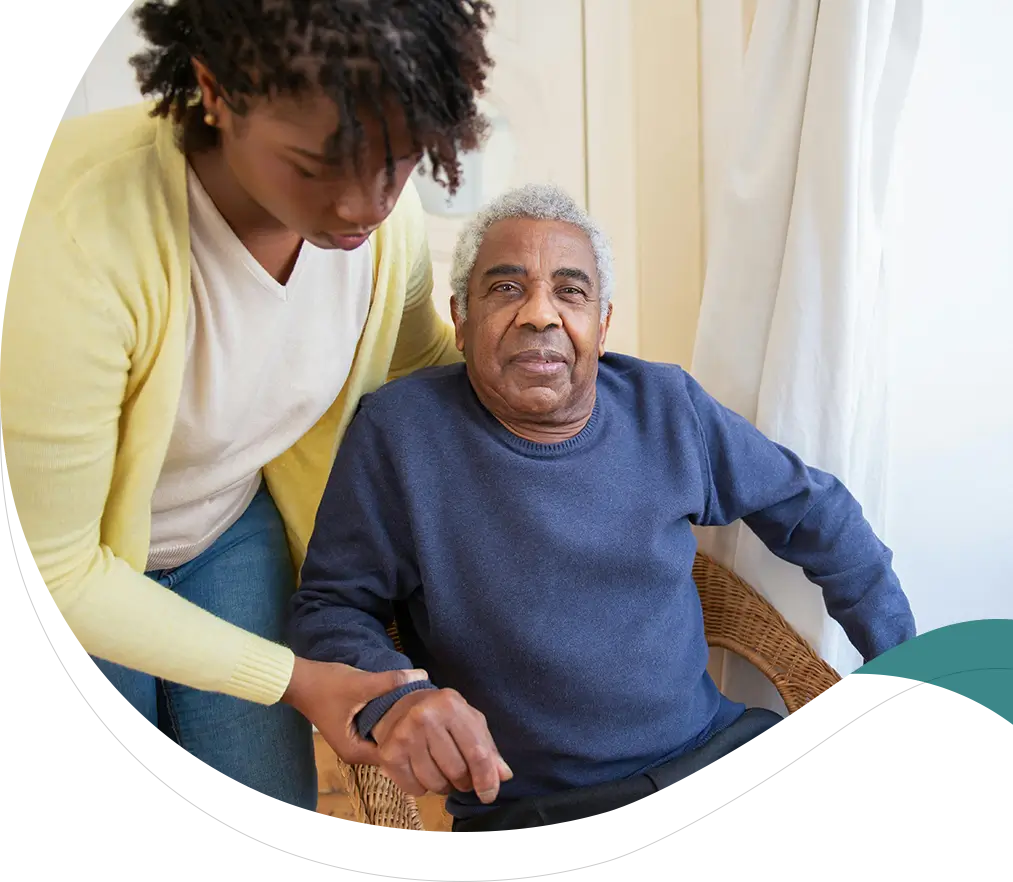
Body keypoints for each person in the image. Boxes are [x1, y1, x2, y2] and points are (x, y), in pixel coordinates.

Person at [285, 183, 918, 831]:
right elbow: (330, 607)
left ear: (603, 324)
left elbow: (817, 514)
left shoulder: (666, 405)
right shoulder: (400, 433)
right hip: (542, 811)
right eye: (506, 288)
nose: (540, 314)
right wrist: (397, 695)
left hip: (719, 756)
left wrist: (899, 663)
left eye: (570, 291)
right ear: (461, 319)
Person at [0, 0, 495, 819]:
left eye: (398, 161)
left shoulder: (384, 230)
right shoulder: (82, 236)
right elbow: (57, 569)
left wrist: (591, 390)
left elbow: (419, 366)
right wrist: (294, 680)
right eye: (315, 167)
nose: (363, 205)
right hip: (69, 569)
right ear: (215, 90)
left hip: (227, 527)